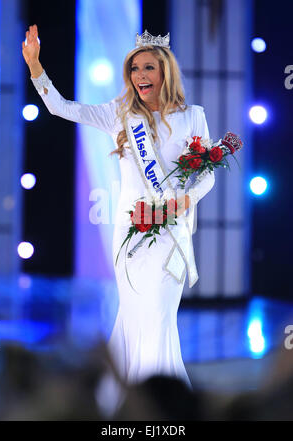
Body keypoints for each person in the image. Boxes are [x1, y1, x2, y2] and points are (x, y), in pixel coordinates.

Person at [22, 25, 215, 413]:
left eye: (148, 68)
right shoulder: (120, 115)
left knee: (158, 315)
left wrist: (185, 199)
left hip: (171, 234)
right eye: (134, 69)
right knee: (133, 313)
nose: (140, 76)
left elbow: (207, 172)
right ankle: (125, 400)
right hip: (131, 233)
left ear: (165, 72)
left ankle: (159, 402)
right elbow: (62, 107)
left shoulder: (193, 117)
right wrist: (35, 66)